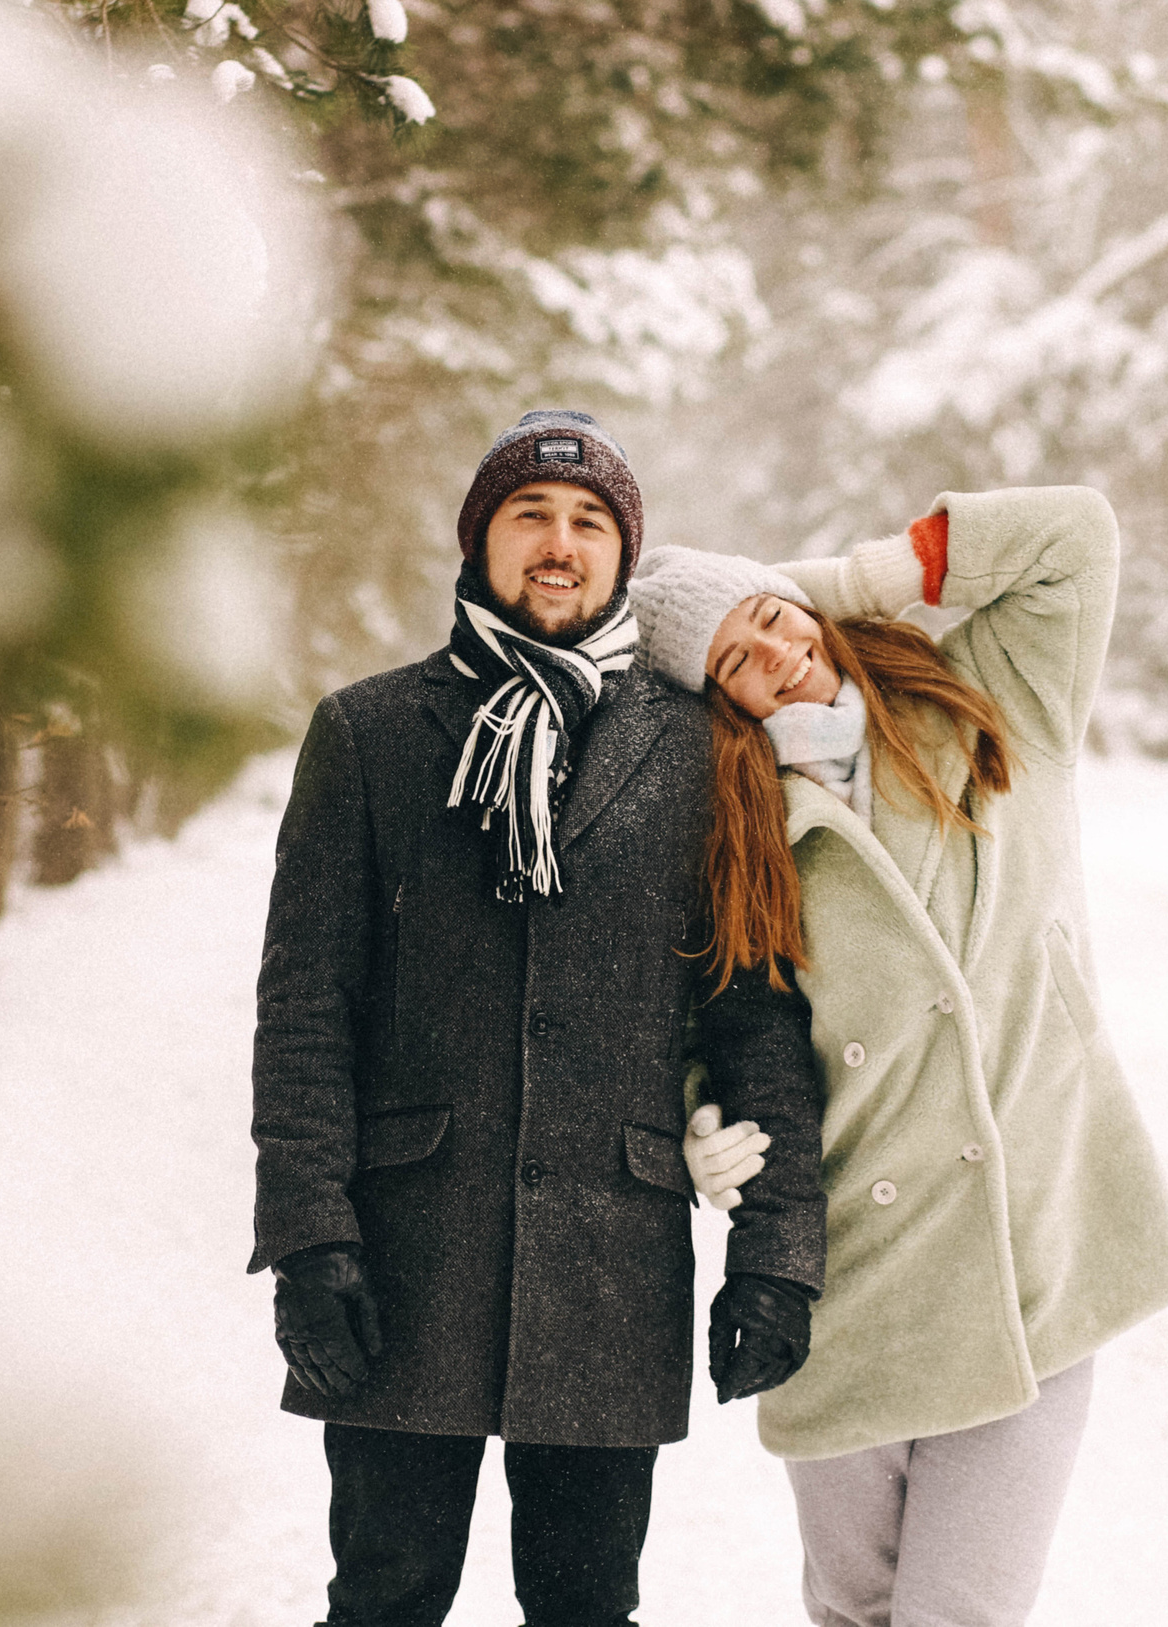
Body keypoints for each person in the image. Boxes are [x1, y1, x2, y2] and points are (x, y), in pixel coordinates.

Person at [251, 409, 828, 1627]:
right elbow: (305, 1008)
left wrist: (775, 1255)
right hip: (405, 1253)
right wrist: (309, 1240)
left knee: (584, 1608)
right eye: (530, 516)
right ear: (479, 541)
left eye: (589, 523)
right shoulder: (365, 734)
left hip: (611, 1264)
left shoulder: (706, 751)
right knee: (384, 1596)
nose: (559, 545)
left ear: (626, 557)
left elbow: (754, 1015)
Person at [625, 484, 1168, 1627]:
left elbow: (1074, 534)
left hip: (1029, 1247)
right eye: (739, 659)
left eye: (774, 621)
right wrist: (704, 1121)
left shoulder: (995, 706)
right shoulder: (736, 839)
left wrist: (847, 581)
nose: (779, 656)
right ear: (720, 708)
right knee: (853, 1609)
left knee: (960, 1615)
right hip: (855, 1273)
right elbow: (711, 1020)